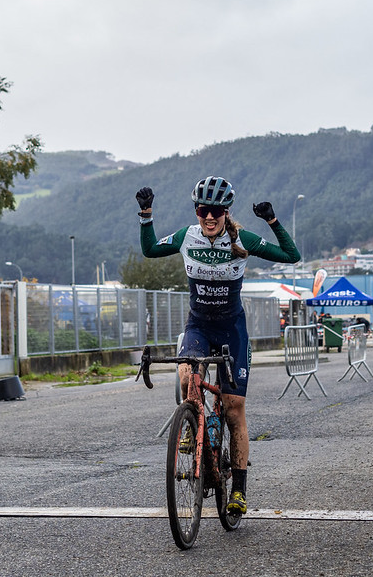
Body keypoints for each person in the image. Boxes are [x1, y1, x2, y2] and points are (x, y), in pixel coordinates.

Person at [136, 176, 300, 516]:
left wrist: (272, 221)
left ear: (226, 213)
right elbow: (150, 250)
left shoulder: (242, 240)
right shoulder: (186, 236)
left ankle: (238, 488)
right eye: (202, 210)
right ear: (196, 211)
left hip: (231, 331)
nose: (209, 218)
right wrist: (146, 214)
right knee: (186, 376)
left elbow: (291, 255)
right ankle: (193, 423)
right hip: (198, 326)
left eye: (216, 212)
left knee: (233, 406)